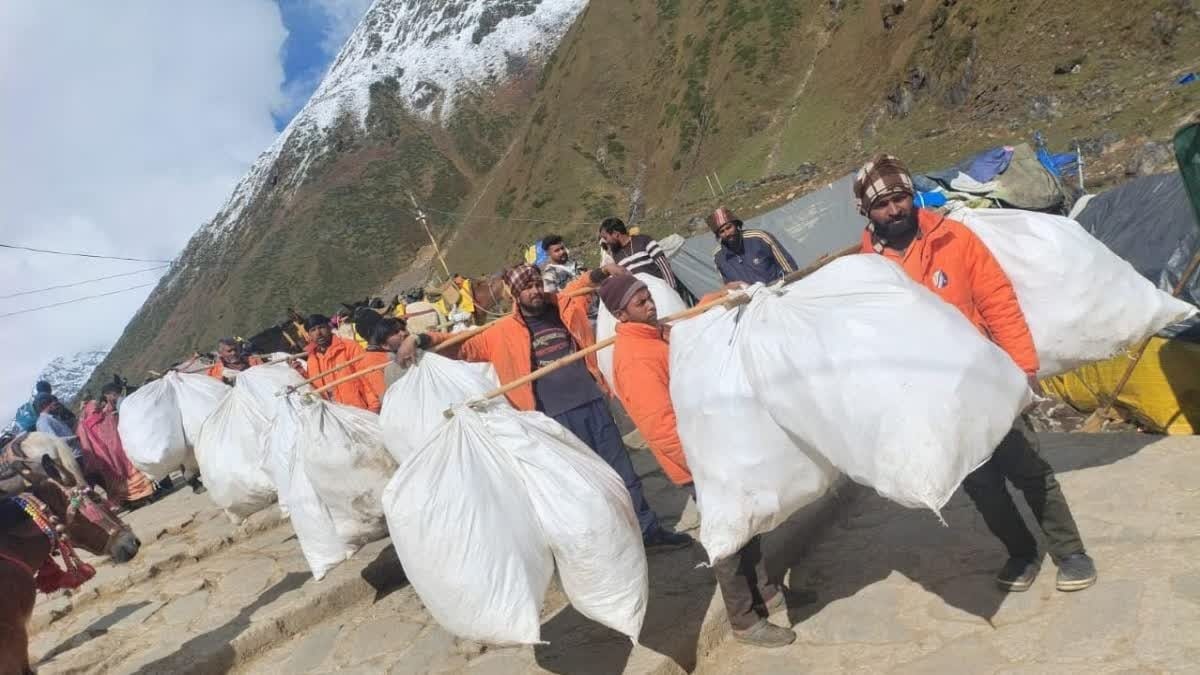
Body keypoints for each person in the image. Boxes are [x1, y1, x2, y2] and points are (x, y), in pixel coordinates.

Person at [854, 154, 1097, 592]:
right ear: (865, 211)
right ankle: (1021, 554)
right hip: (934, 399)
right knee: (981, 483)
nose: (895, 210)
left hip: (986, 379)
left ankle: (1071, 552)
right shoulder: (865, 267)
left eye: (901, 197)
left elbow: (998, 301)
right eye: (882, 204)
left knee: (1028, 468)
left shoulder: (955, 238)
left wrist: (1023, 367)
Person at [396, 263, 691, 551]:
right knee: (579, 486)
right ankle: (609, 546)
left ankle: (647, 530)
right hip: (550, 420)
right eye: (527, 288)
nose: (535, 291)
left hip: (592, 404)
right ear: (514, 295)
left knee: (622, 474)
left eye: (537, 284)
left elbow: (583, 287)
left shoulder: (564, 306)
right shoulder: (500, 333)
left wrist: (603, 272)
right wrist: (421, 339)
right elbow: (460, 345)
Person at [600, 273, 796, 647]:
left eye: (648, 297)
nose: (650, 304)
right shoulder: (633, 358)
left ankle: (766, 593)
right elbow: (660, 427)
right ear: (621, 314)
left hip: (713, 446)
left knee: (748, 518)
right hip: (696, 460)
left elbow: (689, 320)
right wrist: (702, 465)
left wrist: (720, 296)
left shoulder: (655, 332)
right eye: (640, 302)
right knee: (728, 534)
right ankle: (744, 620)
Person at [77, 384, 155, 506]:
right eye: (95, 408)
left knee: (118, 478)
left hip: (107, 457)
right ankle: (143, 497)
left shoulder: (86, 425)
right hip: (118, 452)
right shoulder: (100, 420)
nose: (97, 409)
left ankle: (133, 500)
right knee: (129, 473)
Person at [305, 314, 380, 411]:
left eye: (321, 327)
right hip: (338, 417)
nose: (318, 333)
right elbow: (314, 390)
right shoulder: (312, 360)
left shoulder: (349, 347)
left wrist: (375, 406)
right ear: (309, 335)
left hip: (361, 410)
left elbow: (368, 377)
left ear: (329, 327)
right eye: (313, 330)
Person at [708, 207, 798, 285]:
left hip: (779, 291)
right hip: (753, 302)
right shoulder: (719, 257)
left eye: (729, 227)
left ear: (736, 225)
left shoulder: (759, 238)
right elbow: (728, 286)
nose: (727, 233)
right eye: (722, 231)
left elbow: (788, 267)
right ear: (718, 235)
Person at [598, 217, 679, 287]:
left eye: (606, 237)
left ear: (616, 234)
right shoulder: (616, 255)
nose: (606, 242)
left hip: (662, 292)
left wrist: (672, 290)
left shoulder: (643, 240)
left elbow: (663, 265)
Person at [361, 317, 411, 407]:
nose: (404, 333)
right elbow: (385, 397)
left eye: (403, 329)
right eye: (395, 332)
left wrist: (419, 339)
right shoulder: (374, 362)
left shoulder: (416, 347)